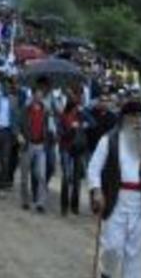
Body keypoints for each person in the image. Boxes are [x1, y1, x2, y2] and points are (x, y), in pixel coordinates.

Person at [88, 101, 141, 278]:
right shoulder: (109, 140)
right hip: (116, 200)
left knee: (135, 253)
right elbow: (94, 167)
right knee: (112, 248)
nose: (138, 121)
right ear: (124, 119)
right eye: (133, 117)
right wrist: (97, 190)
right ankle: (107, 274)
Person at [19, 86, 49, 213]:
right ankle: (25, 200)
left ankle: (40, 202)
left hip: (40, 144)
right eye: (38, 93)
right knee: (25, 175)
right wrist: (19, 135)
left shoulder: (44, 109)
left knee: (41, 174)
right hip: (28, 143)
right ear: (33, 95)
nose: (40, 96)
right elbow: (19, 123)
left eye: (41, 93)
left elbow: (45, 125)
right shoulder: (26, 109)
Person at [59, 86, 87, 215]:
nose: (76, 103)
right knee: (66, 176)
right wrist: (71, 128)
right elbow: (61, 134)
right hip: (66, 148)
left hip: (78, 148)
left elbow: (92, 123)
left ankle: (74, 206)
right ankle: (64, 206)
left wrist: (82, 123)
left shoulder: (81, 114)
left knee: (76, 179)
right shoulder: (63, 116)